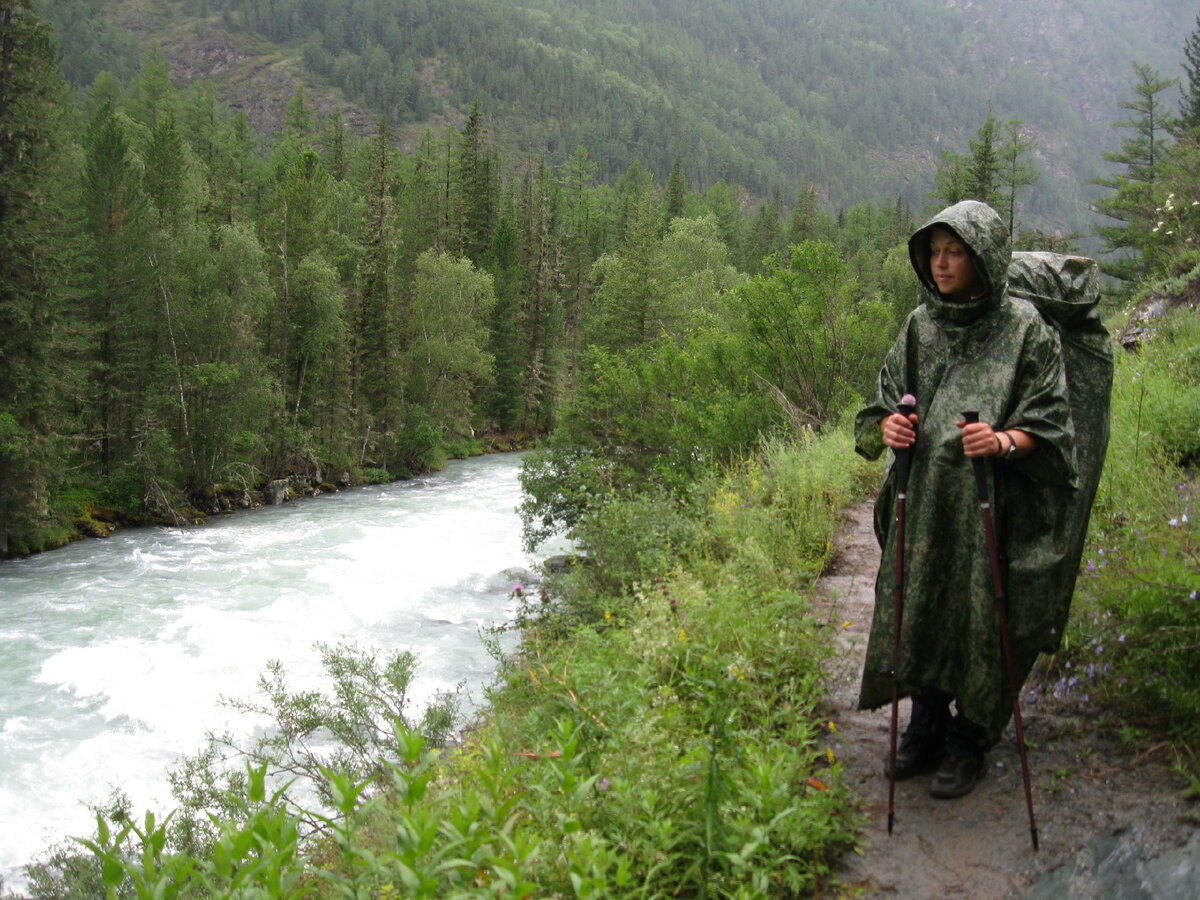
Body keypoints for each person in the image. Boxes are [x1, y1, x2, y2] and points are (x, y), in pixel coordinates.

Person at [854, 200, 1077, 799]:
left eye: (955, 251)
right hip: (925, 500)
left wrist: (1003, 439)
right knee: (920, 596)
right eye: (934, 251)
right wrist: (889, 429)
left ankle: (971, 735)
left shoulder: (1025, 328)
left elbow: (1053, 422)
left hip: (992, 502)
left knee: (984, 613)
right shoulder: (919, 326)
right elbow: (879, 406)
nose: (941, 263)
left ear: (984, 258)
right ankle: (926, 720)